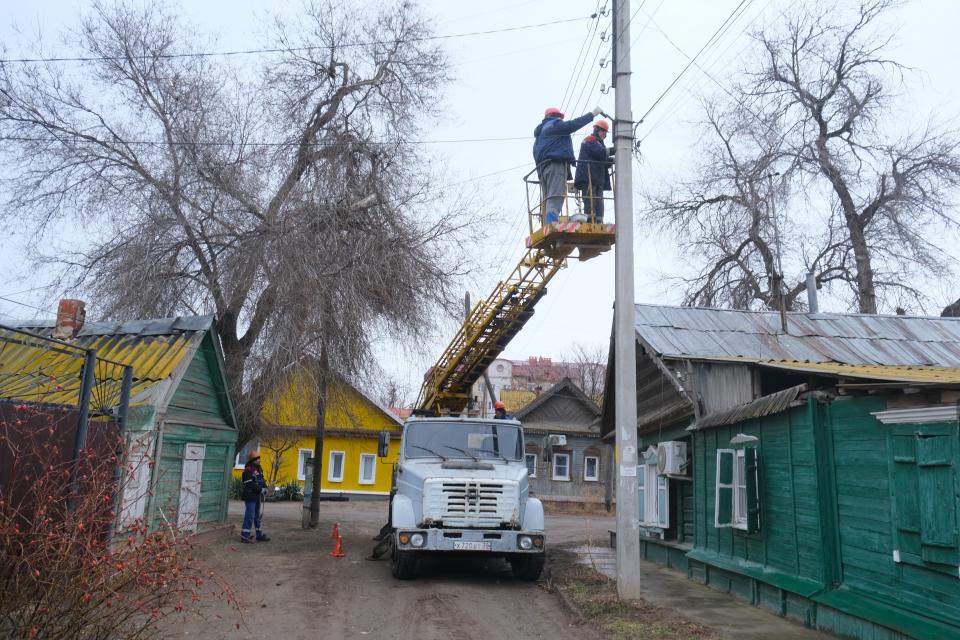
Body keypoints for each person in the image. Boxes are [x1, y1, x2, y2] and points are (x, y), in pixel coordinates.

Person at [533, 105, 605, 224]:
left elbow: (535, 154)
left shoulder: (539, 135)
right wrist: (592, 114)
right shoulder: (554, 125)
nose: (561, 120)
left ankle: (547, 223)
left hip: (542, 169)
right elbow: (573, 124)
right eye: (560, 118)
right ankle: (551, 223)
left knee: (548, 198)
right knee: (556, 195)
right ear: (556, 116)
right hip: (556, 165)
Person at [574, 119, 615, 223]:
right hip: (588, 178)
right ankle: (590, 222)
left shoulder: (599, 143)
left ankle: (599, 223)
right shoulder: (589, 140)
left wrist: (611, 161)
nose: (604, 134)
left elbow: (601, 158)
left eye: (605, 132)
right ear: (597, 130)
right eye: (603, 131)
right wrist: (614, 150)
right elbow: (599, 153)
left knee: (599, 203)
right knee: (590, 202)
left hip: (597, 179)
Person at [240, 450, 270, 543]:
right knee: (250, 516)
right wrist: (260, 490)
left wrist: (265, 488)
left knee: (257, 517)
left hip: (257, 496)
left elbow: (261, 480)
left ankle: (259, 535)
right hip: (250, 496)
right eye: (257, 459)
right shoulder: (248, 470)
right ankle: (244, 536)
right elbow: (248, 483)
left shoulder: (258, 469)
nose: (259, 460)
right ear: (253, 460)